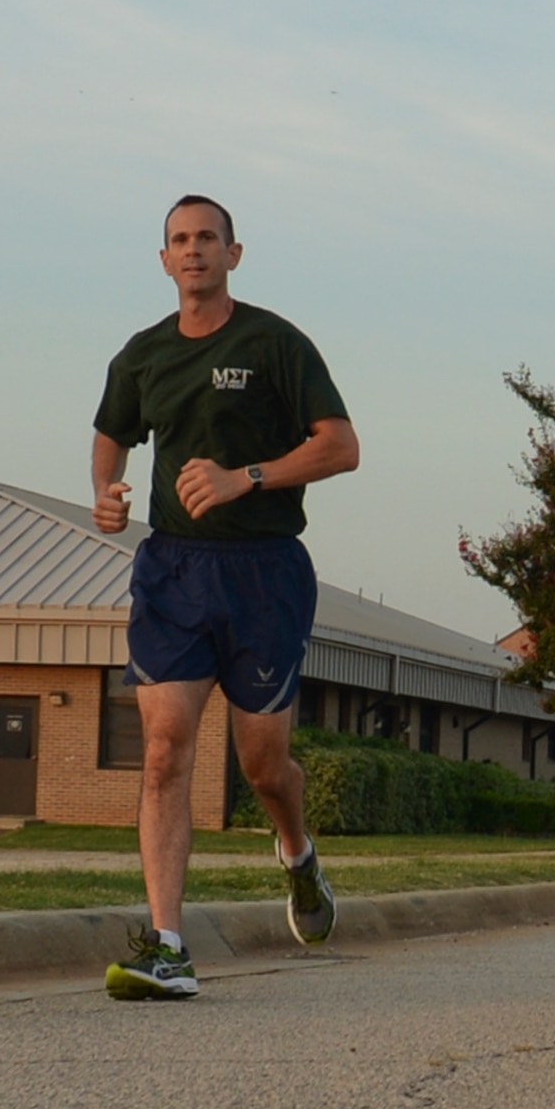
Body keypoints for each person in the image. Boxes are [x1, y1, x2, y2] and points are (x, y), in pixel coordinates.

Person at [92, 195, 360, 1000]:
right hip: (174, 571)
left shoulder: (275, 342)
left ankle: (297, 855)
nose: (194, 250)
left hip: (265, 572)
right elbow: (112, 431)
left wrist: (248, 477)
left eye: (208, 238)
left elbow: (340, 446)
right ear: (165, 260)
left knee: (262, 762)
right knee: (167, 746)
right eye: (180, 240)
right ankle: (168, 945)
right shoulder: (142, 356)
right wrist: (105, 491)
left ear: (233, 254)